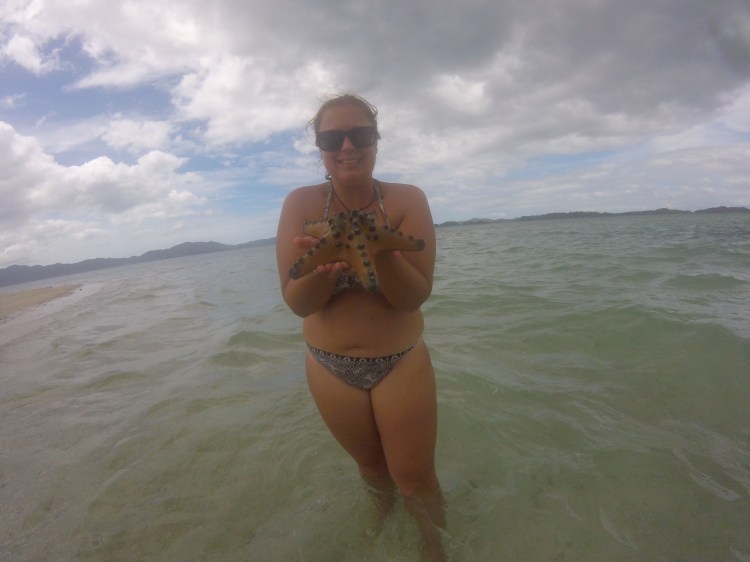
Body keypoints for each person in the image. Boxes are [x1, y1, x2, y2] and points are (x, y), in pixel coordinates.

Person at [276, 93, 445, 560]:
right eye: (333, 139)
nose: (347, 147)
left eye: (360, 135)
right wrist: (325, 266)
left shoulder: (407, 200)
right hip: (329, 367)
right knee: (371, 470)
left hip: (400, 362)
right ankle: (381, 530)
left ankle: (435, 549)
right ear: (320, 148)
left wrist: (377, 250)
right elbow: (297, 302)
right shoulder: (301, 204)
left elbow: (412, 297)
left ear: (376, 139)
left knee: (416, 480)